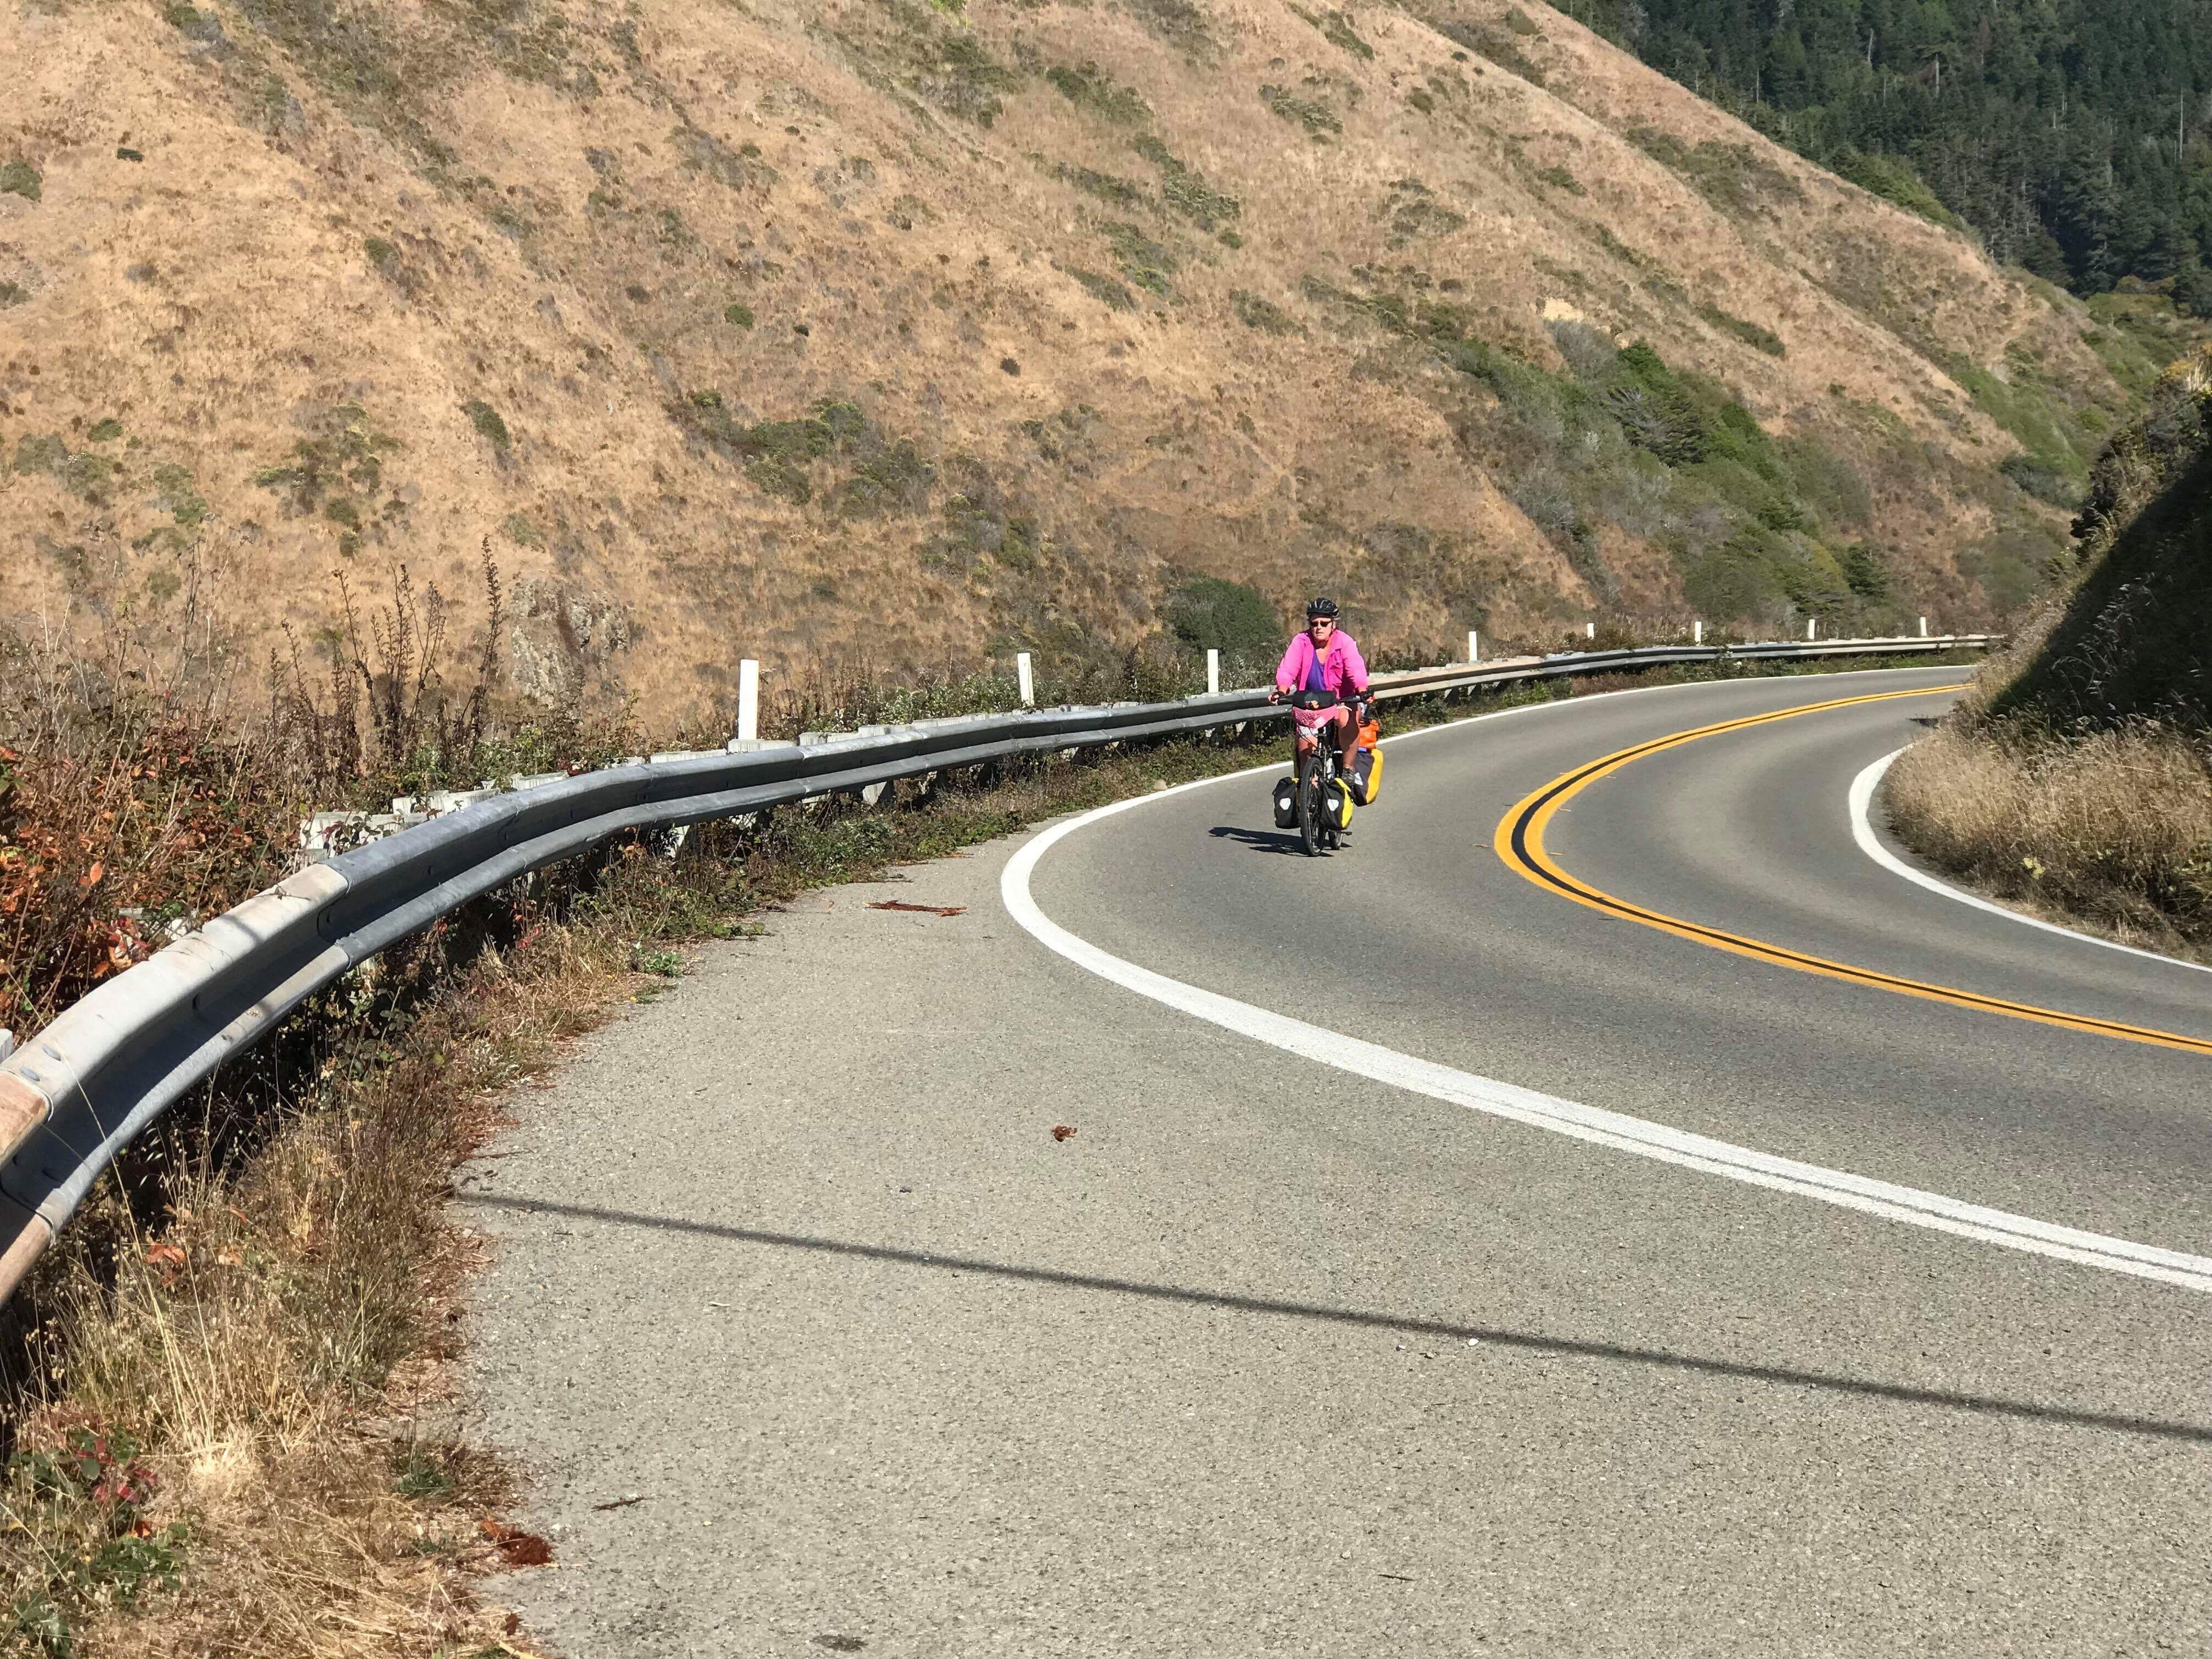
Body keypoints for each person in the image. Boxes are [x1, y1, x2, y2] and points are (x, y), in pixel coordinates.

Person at [1268, 596, 1370, 787]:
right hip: (1311, 702)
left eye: (1324, 623)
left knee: (1347, 719)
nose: (1318, 628)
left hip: (1341, 699)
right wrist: (1281, 691)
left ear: (1333, 624)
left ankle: (1348, 768)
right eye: (1314, 624)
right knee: (1305, 747)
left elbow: (1355, 668)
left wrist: (1363, 690)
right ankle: (1311, 785)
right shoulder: (1301, 641)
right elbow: (1288, 668)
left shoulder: (1345, 642)